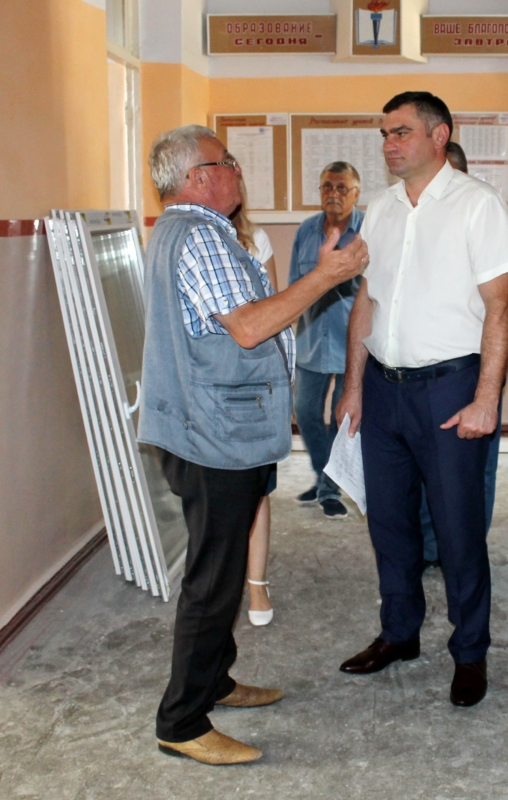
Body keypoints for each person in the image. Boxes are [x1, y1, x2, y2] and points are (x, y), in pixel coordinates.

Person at [139, 125, 367, 765]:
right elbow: (249, 327)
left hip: (206, 427)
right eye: (227, 162)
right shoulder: (199, 236)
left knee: (224, 563)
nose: (237, 170)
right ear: (198, 177)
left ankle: (214, 680)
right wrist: (325, 276)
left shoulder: (184, 231)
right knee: (213, 580)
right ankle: (182, 721)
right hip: (212, 435)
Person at [335, 92, 508, 708]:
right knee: (389, 523)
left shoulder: (477, 204)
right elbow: (367, 301)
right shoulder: (381, 209)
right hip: (384, 389)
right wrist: (354, 386)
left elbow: (501, 307)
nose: (389, 144)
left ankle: (469, 652)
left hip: (449, 388)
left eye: (402, 132)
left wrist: (487, 398)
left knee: (457, 528)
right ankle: (399, 633)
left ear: (440, 136)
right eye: (385, 134)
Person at [420, 142, 508, 564]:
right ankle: (429, 547)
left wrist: (492, 348)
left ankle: (466, 549)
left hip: (474, 370)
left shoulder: (492, 219)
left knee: (473, 469)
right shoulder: (413, 221)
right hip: (421, 373)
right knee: (425, 465)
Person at [288, 161, 365, 519]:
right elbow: (295, 286)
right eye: (327, 187)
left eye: (341, 187)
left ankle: (329, 489)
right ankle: (324, 476)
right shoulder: (306, 231)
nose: (333, 194)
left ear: (356, 193)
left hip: (351, 343)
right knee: (304, 412)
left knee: (341, 419)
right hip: (311, 341)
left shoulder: (367, 231)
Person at [227, 160, 279, 626]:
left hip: (252, 381)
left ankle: (256, 585)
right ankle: (222, 579)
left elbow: (272, 310)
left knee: (257, 489)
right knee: (218, 494)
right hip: (208, 384)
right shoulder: (189, 237)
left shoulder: (255, 240)